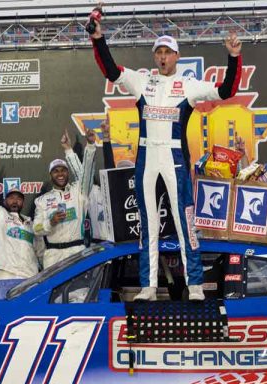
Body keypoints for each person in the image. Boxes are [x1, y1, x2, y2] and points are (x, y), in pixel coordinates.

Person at [89, 10, 243, 301]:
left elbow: (226, 90)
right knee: (147, 224)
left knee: (185, 221)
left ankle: (195, 285)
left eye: (168, 52)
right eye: (158, 52)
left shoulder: (189, 85)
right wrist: (98, 39)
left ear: (177, 56)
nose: (162, 57)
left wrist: (234, 58)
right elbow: (111, 71)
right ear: (154, 56)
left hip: (174, 158)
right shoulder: (142, 81)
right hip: (147, 155)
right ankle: (148, 286)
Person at [33, 129, 96, 269]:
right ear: (50, 176)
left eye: (63, 170)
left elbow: (86, 173)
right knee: (54, 291)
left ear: (68, 173)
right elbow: (36, 228)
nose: (60, 174)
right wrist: (51, 222)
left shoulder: (78, 190)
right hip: (53, 256)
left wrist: (90, 146)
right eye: (56, 171)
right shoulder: (42, 200)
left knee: (79, 291)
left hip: (77, 251)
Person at [0, 157, 40, 280]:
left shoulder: (31, 223)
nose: (15, 201)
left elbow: (39, 250)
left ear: (23, 203)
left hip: (30, 275)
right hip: (5, 273)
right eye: (11, 198)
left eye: (19, 199)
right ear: (4, 201)